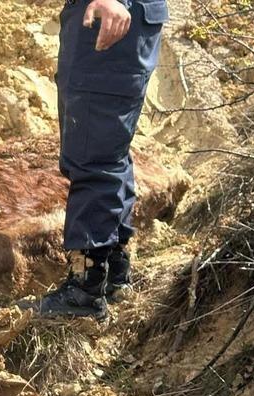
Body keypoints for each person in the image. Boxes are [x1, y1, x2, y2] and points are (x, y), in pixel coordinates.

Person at [39, 0, 168, 319]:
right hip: (119, 19)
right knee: (105, 151)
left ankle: (85, 294)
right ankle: (112, 274)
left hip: (108, 16)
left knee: (92, 157)